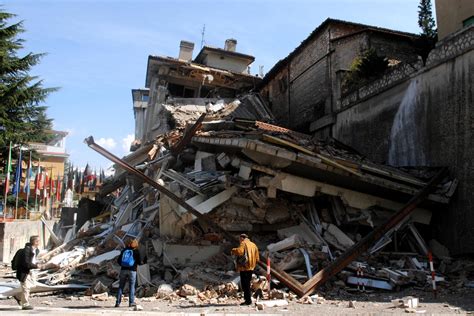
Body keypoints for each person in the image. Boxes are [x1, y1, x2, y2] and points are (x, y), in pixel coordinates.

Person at [15, 235, 44, 310]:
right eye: (38, 241)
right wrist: (36, 266)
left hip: (31, 271)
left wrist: (36, 265)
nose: (39, 243)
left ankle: (18, 296)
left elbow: (32, 260)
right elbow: (26, 263)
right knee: (26, 287)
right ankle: (25, 304)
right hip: (24, 271)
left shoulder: (36, 250)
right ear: (35, 242)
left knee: (33, 285)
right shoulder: (27, 250)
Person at [231, 233, 260, 306]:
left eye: (239, 239)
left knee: (245, 285)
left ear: (242, 238)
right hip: (251, 267)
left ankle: (248, 301)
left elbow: (240, 251)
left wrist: (233, 250)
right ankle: (248, 300)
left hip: (244, 267)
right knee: (248, 283)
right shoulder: (253, 245)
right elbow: (257, 258)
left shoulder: (243, 243)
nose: (239, 240)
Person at [115, 239, 144, 307]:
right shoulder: (136, 251)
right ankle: (131, 302)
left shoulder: (124, 250)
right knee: (132, 286)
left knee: (121, 286)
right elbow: (139, 262)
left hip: (123, 270)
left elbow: (118, 261)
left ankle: (117, 302)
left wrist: (124, 265)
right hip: (132, 271)